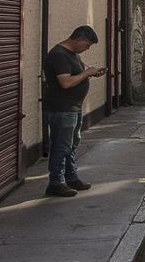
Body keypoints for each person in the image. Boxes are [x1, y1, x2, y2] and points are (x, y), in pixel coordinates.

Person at [43, 26, 105, 198]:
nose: (87, 49)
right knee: (61, 147)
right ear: (78, 40)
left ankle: (71, 178)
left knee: (70, 145)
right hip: (61, 109)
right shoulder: (59, 55)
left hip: (72, 108)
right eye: (86, 46)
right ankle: (56, 183)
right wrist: (87, 73)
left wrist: (91, 74)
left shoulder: (72, 54)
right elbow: (65, 82)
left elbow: (74, 77)